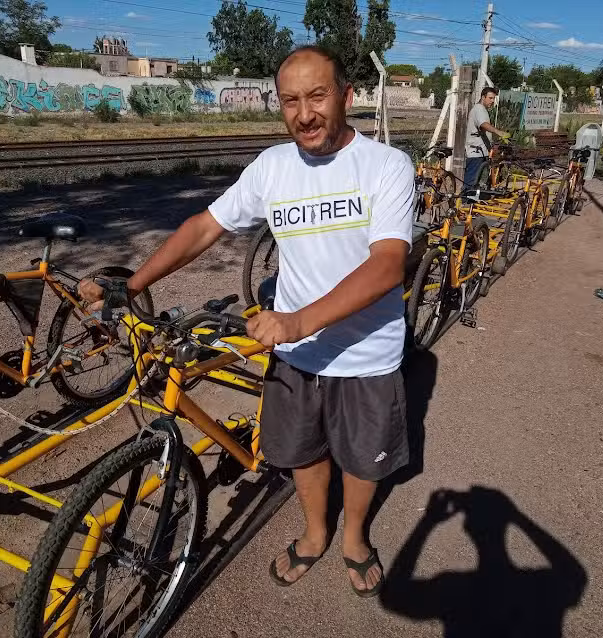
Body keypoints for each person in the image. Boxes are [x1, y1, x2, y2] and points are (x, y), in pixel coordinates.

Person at [78, 45, 415, 598]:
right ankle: (314, 533)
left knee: (362, 457)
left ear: (348, 97)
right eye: (290, 101)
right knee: (303, 451)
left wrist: (297, 321)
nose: (304, 114)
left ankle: (355, 536)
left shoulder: (385, 165)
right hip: (295, 350)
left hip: (365, 352)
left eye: (317, 96)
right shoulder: (273, 167)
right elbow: (205, 226)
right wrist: (135, 282)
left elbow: (386, 265)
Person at [463, 86, 510, 189]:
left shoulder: (482, 109)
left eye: (493, 98)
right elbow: (483, 124)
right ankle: (466, 202)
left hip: (480, 151)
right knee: (472, 181)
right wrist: (499, 132)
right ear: (483, 97)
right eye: (490, 98)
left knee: (478, 182)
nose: (492, 101)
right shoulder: (479, 109)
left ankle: (473, 201)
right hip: (476, 152)